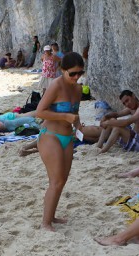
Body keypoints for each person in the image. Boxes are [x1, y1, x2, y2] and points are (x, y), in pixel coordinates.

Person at [36, 52, 85, 231]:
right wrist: (65, 115)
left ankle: (51, 216)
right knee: (56, 181)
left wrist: (78, 126)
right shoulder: (56, 86)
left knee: (61, 180)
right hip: (50, 135)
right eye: (72, 73)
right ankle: (45, 223)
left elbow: (76, 114)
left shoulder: (78, 89)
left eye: (80, 73)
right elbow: (39, 111)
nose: (76, 77)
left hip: (67, 137)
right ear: (62, 70)